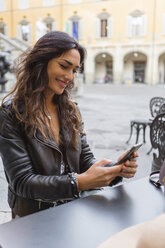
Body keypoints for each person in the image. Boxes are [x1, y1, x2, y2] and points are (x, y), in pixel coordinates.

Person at [0, 31, 138, 218]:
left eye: (74, 70)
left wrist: (114, 170)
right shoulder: (11, 113)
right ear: (41, 62)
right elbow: (23, 182)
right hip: (33, 218)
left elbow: (84, 161)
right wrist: (79, 183)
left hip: (72, 210)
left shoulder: (70, 110)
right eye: (64, 66)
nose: (70, 77)